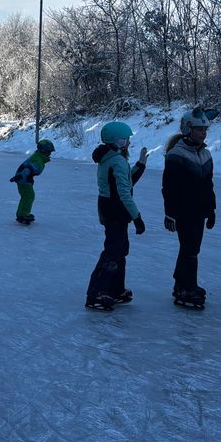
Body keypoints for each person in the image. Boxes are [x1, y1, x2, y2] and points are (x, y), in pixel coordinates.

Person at [85, 122, 148, 311]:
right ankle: (97, 292)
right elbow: (124, 193)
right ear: (119, 141)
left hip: (109, 207)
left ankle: (115, 289)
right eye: (127, 139)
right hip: (115, 209)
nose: (129, 142)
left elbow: (125, 182)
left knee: (120, 249)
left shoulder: (111, 157)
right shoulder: (117, 161)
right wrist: (137, 217)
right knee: (113, 251)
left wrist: (140, 165)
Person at [162, 109, 217, 310]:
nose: (203, 133)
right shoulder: (177, 154)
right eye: (199, 129)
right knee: (190, 249)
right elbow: (169, 187)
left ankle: (181, 283)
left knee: (192, 248)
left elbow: (208, 185)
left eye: (205, 129)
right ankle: (187, 287)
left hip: (199, 210)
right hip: (184, 210)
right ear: (187, 129)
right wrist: (170, 213)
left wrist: (211, 210)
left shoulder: (205, 153)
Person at [10, 138, 55, 224]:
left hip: (24, 178)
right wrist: (18, 177)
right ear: (43, 151)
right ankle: (23, 215)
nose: (50, 154)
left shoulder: (39, 157)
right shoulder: (37, 159)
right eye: (49, 152)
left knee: (26, 196)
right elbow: (28, 169)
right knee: (29, 196)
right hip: (23, 179)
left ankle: (21, 214)